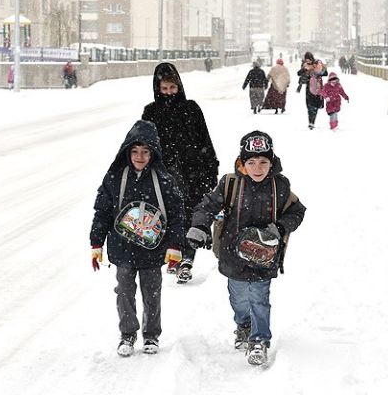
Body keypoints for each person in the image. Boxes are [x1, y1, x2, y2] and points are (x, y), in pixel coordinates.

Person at [185, 130, 306, 366]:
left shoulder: (279, 186)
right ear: (243, 163)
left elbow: (297, 211)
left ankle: (259, 339)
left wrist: (279, 228)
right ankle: (244, 325)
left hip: (264, 255)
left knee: (260, 298)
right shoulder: (230, 183)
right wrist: (199, 226)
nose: (257, 168)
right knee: (239, 298)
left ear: (271, 162)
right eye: (251, 162)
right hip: (233, 254)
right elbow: (207, 206)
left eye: (263, 162)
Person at [89, 120, 185, 357]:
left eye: (145, 152)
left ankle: (151, 335)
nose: (140, 157)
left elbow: (176, 215)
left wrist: (174, 246)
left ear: (153, 153)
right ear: (127, 151)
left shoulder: (164, 180)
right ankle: (127, 334)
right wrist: (96, 243)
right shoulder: (114, 178)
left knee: (152, 292)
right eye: (135, 151)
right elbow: (102, 211)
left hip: (153, 249)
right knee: (124, 291)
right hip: (122, 247)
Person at [141, 62, 219, 284]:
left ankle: (186, 259)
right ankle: (173, 255)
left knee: (190, 216)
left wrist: (210, 168)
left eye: (172, 89)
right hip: (163, 174)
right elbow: (143, 144)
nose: (168, 93)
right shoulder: (151, 111)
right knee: (168, 217)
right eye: (164, 89)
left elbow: (204, 139)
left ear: (179, 87)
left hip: (193, 173)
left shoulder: (191, 109)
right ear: (158, 89)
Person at [297, 52, 328, 130]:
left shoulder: (317, 64)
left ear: (311, 58)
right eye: (306, 59)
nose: (307, 61)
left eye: (308, 59)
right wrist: (304, 69)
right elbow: (298, 73)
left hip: (318, 88)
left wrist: (317, 70)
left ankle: (312, 121)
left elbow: (325, 73)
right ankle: (310, 122)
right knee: (309, 106)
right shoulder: (305, 65)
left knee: (316, 106)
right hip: (309, 88)